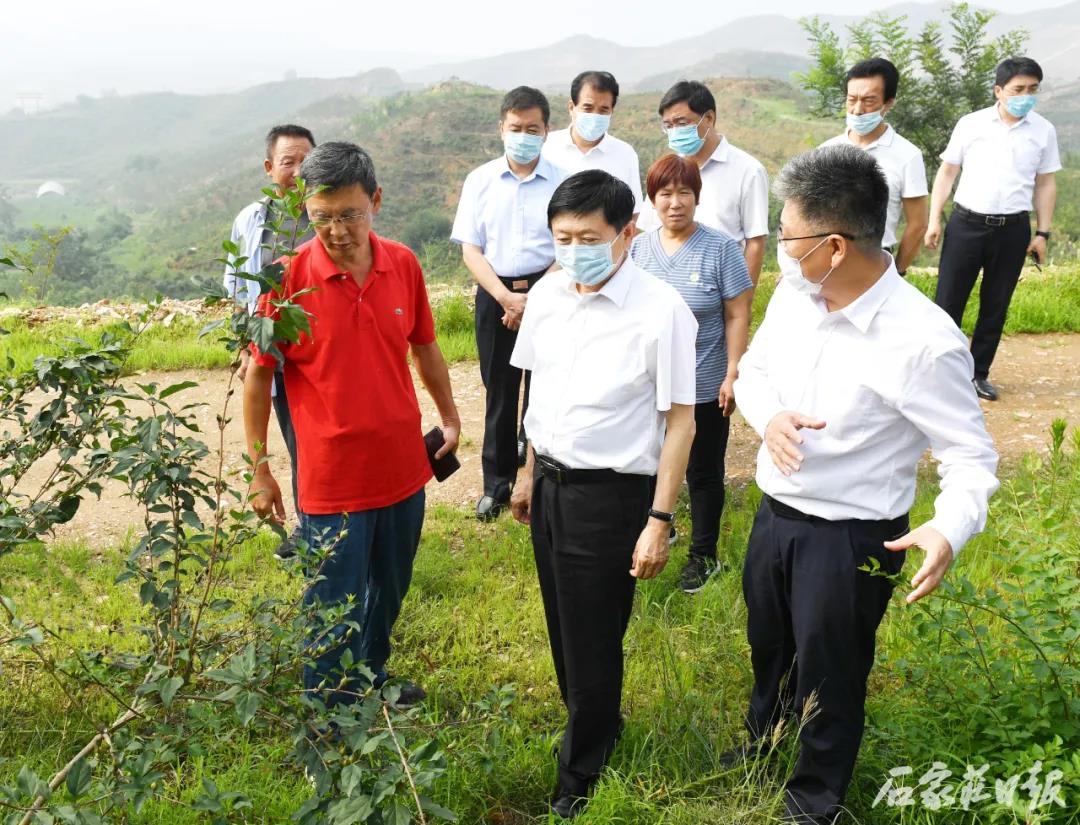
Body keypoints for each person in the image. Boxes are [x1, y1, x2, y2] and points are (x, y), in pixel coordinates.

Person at [731, 144, 999, 824]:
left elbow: (971, 456)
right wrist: (771, 419)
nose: (781, 250)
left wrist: (949, 526)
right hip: (776, 514)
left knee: (832, 670)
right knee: (770, 643)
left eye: (789, 236)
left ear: (834, 246)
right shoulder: (796, 295)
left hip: (849, 536)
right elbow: (754, 372)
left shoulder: (922, 341)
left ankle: (813, 797)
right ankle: (764, 742)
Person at [244, 141, 461, 707]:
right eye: (322, 217)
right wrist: (259, 469)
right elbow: (258, 376)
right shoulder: (287, 279)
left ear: (376, 201)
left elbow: (426, 347)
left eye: (350, 215)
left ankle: (371, 674)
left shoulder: (403, 264)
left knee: (391, 583)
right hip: (331, 474)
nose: (337, 231)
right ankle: (328, 713)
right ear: (304, 210)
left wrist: (449, 416)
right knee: (331, 597)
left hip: (401, 465)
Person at [509, 170, 698, 819]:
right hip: (550, 483)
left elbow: (681, 422)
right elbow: (536, 387)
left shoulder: (660, 310)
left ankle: (580, 772)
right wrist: (528, 471)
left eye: (588, 238)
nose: (574, 251)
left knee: (593, 635)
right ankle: (592, 720)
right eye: (562, 238)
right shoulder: (546, 295)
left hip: (609, 495)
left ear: (628, 232)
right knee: (563, 623)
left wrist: (659, 520)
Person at [630, 154, 753, 594]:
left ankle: (704, 555)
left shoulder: (721, 249)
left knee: (703, 473)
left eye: (685, 193)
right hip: (650, 385)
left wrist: (733, 370)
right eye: (665, 194)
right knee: (647, 463)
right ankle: (658, 528)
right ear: (652, 200)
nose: (675, 202)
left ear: (697, 197)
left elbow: (737, 313)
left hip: (703, 382)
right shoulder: (637, 249)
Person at [451, 86, 567, 521]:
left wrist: (534, 298)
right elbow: (471, 249)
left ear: (547, 130)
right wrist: (505, 298)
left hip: (550, 290)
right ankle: (496, 485)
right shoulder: (480, 181)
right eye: (516, 128)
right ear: (502, 128)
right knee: (499, 392)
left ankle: (538, 479)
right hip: (494, 292)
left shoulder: (563, 181)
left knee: (543, 388)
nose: (523, 136)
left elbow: (568, 246)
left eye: (532, 129)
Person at [926, 56, 1061, 401]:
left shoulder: (1043, 130)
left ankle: (978, 373)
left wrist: (1042, 233)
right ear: (998, 91)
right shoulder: (971, 124)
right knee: (948, 301)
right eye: (1018, 89)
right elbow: (947, 172)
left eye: (1032, 89)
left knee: (996, 303)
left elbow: (1045, 183)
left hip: (1013, 228)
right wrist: (934, 218)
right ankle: (939, 373)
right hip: (966, 223)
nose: (1025, 96)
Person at [224, 123, 316, 560]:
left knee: (322, 442)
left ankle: (330, 524)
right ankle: (310, 527)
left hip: (321, 352)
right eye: (288, 162)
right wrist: (247, 346)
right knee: (297, 441)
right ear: (268, 167)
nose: (298, 171)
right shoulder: (251, 220)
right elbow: (237, 289)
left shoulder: (326, 214)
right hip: (274, 354)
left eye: (306, 162)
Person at [637, 80, 769, 285]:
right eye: (668, 126)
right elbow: (648, 230)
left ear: (709, 118)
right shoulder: (667, 169)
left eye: (682, 123)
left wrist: (743, 298)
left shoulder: (748, 170)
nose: (675, 131)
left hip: (719, 284)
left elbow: (755, 242)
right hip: (665, 284)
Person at [821, 58, 927, 276]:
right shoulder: (826, 151)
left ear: (888, 103)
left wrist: (896, 272)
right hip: (825, 256)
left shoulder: (908, 155)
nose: (857, 110)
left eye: (869, 101)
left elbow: (918, 224)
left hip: (875, 260)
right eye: (852, 99)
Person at [542, 70, 644, 220]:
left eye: (603, 110)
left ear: (612, 111)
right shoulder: (546, 147)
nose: (595, 116)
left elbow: (634, 212)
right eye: (588, 108)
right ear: (571, 107)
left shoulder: (625, 154)